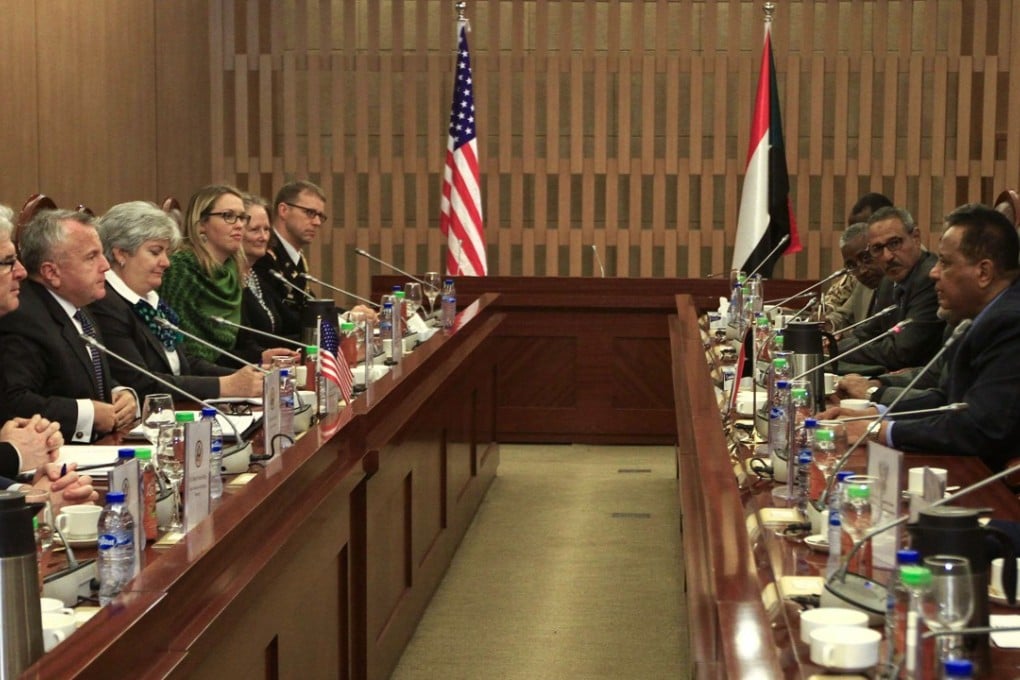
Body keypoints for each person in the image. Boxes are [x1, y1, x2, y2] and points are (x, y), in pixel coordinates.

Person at [823, 203, 1020, 471]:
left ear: (983, 273)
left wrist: (879, 431)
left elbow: (978, 429)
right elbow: (944, 401)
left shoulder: (1009, 324)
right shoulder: (974, 317)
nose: (934, 272)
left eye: (945, 262)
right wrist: (876, 413)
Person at [89, 201, 265, 400]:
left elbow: (184, 364)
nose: (166, 262)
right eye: (155, 252)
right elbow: (140, 382)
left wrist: (247, 377)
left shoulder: (150, 299)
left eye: (166, 252)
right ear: (121, 253)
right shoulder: (106, 304)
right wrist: (224, 386)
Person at [0, 209, 137, 443]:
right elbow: (13, 401)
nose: (105, 265)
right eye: (91, 257)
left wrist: (118, 393)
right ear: (51, 272)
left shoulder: (78, 307)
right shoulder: (22, 317)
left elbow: (79, 373)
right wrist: (88, 414)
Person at [0, 207, 96, 504]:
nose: (20, 271)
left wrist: (29, 492)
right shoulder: (24, 321)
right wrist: (14, 454)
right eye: (6, 262)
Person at [159, 185, 297, 369]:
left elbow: (240, 343)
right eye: (228, 216)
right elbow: (182, 353)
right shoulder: (180, 270)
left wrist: (261, 356)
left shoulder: (231, 272)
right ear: (201, 224)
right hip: (193, 383)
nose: (239, 224)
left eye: (241, 217)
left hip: (224, 379)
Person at [835, 206, 945, 374]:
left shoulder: (929, 278)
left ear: (916, 237)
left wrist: (838, 351)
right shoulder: (888, 280)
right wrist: (833, 345)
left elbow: (901, 351)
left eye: (894, 243)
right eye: (877, 249)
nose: (887, 256)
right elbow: (867, 333)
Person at [253, 180, 327, 336]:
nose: (317, 222)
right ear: (284, 210)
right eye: (310, 213)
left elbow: (308, 303)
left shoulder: (295, 257)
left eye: (320, 216)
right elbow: (287, 319)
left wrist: (347, 317)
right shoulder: (263, 255)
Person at [820, 192, 894, 314]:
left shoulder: (905, 268)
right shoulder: (861, 271)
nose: (856, 236)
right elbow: (843, 314)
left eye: (863, 228)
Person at [824, 222, 886, 332]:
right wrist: (828, 323)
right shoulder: (863, 285)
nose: (861, 271)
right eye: (852, 265)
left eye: (866, 258)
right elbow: (845, 316)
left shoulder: (902, 284)